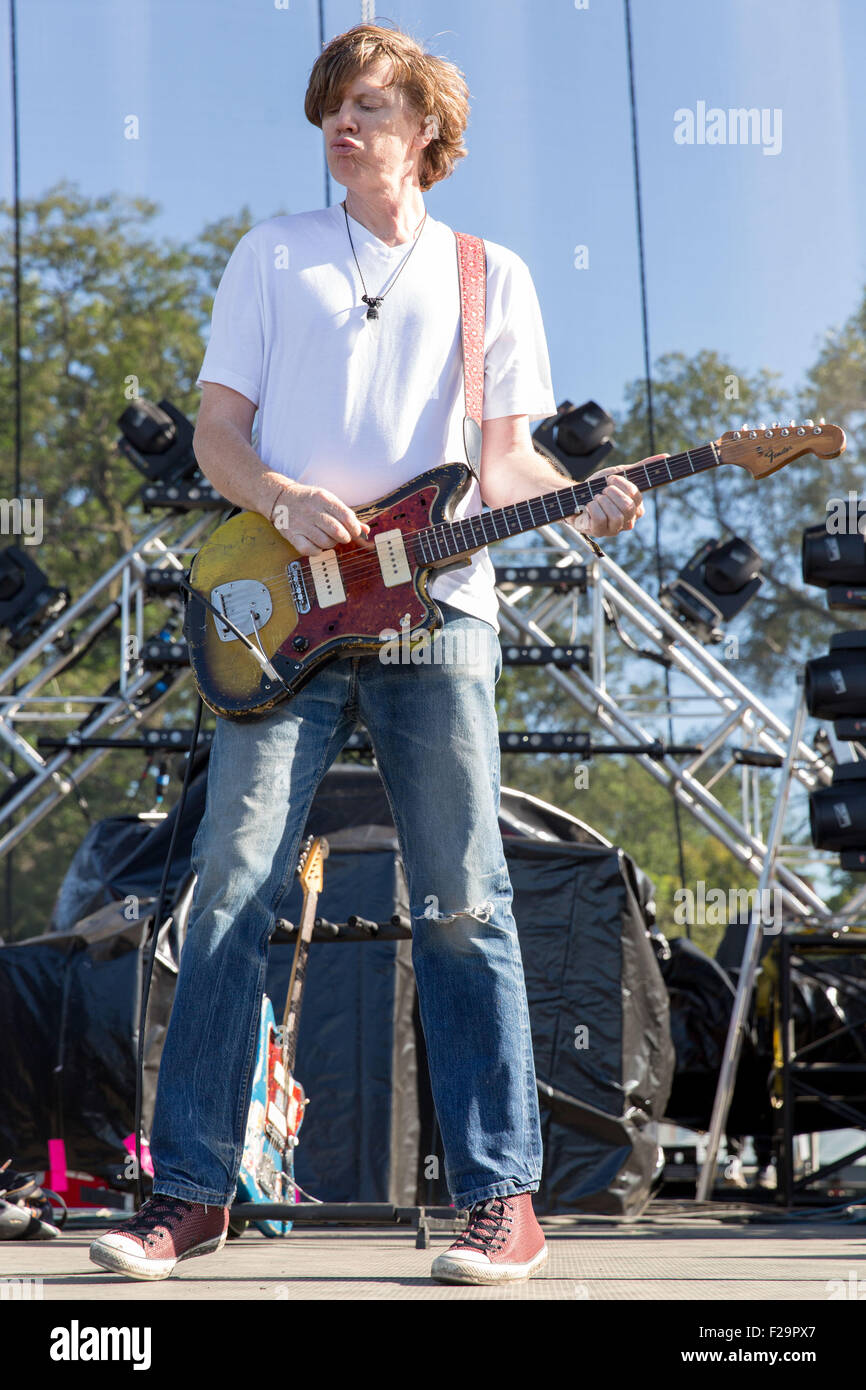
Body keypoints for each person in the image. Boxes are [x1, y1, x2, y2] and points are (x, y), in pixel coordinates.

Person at [89, 21, 648, 1287]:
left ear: (427, 137)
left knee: (461, 899)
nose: (345, 121)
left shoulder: (486, 273)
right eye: (334, 102)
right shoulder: (269, 254)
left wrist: (579, 493)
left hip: (438, 612)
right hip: (283, 610)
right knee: (229, 889)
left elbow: (501, 461)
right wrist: (280, 498)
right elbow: (218, 438)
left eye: (375, 106)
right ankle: (189, 1193)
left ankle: (501, 1200)